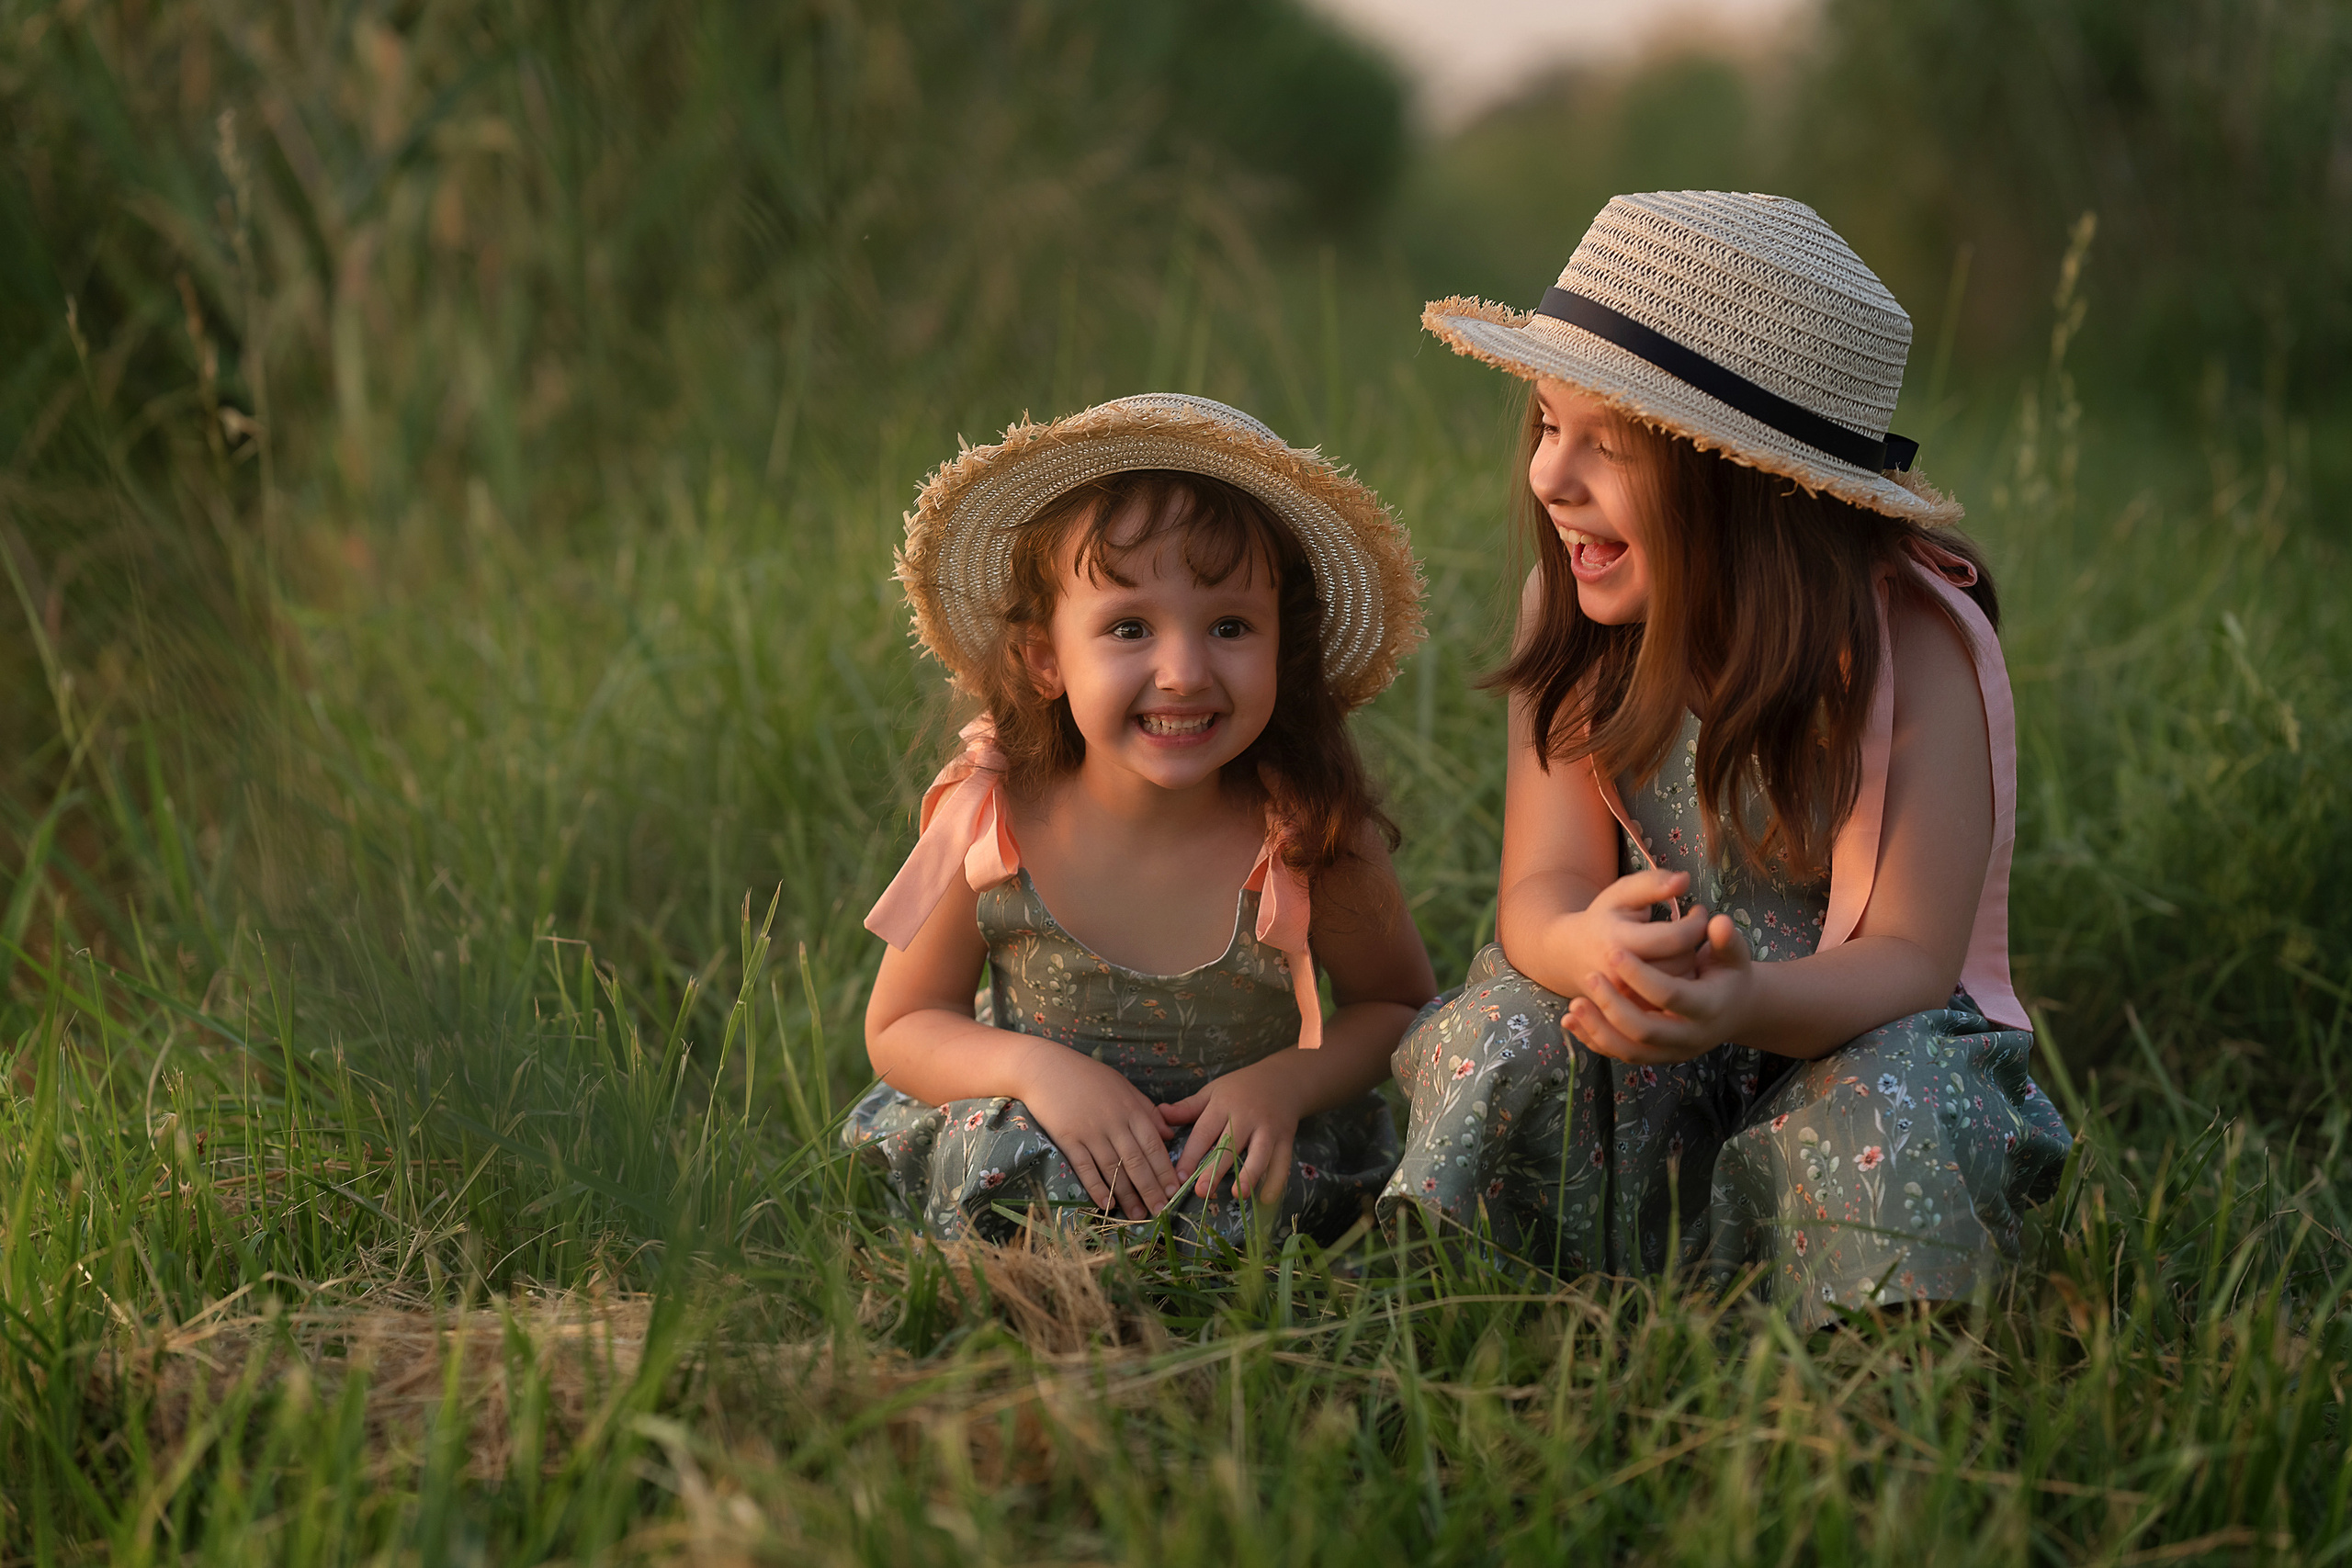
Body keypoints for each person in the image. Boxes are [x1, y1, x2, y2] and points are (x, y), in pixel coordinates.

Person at [1381, 192, 2073, 1325]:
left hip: (1836, 1024)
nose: (1550, 478)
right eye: (1547, 425)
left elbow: (1906, 956)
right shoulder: (1574, 617)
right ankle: (1490, 1299)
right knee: (1497, 1027)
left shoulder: (1914, 647)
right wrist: (1584, 948)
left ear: (1749, 488)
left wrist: (1742, 998)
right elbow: (1539, 888)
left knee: (1894, 1099)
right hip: (1644, 1012)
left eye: (1604, 445)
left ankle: (1863, 1332)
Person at [846, 394, 1437, 1247]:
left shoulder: (1306, 832)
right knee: (1006, 1150)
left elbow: (1393, 1004)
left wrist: (1280, 1086)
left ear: (1284, 648)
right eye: (1129, 627)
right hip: (1050, 1132)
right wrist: (1037, 1071)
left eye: (1230, 626)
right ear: (1045, 658)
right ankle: (1052, 1294)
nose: (1184, 671)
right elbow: (902, 1027)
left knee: (1247, 1201)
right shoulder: (994, 815)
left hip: (1227, 1145)